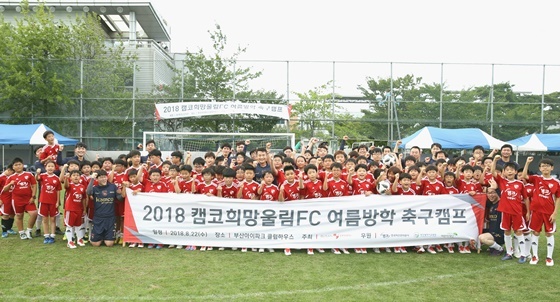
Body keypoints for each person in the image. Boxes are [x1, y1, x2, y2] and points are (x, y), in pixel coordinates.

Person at [522, 157, 559, 266]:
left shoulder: (556, 182)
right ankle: (535, 256)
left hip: (549, 212)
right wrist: (527, 163)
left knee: (549, 233)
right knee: (536, 232)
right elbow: (524, 176)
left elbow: (558, 198)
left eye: (547, 166)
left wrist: (555, 212)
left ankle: (549, 258)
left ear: (552, 168)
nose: (545, 168)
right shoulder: (536, 179)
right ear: (540, 168)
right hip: (536, 212)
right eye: (543, 166)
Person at [491, 155, 529, 263]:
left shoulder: (520, 184)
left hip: (517, 212)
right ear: (504, 172)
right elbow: (493, 172)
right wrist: (495, 160)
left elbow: (526, 199)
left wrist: (528, 212)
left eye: (512, 170)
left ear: (516, 172)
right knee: (507, 232)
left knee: (518, 232)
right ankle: (509, 253)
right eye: (507, 170)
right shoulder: (502, 181)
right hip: (505, 212)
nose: (509, 172)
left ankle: (523, 254)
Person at [3, 158, 38, 240]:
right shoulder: (11, 177)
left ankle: (28, 230)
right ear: (13, 167)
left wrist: (33, 196)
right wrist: (10, 184)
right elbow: (5, 189)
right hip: (17, 200)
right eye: (16, 165)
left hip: (28, 199)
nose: (18, 166)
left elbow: (34, 185)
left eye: (19, 164)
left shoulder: (29, 174)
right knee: (19, 216)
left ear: (23, 165)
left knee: (34, 213)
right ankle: (21, 232)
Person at [87, 170, 123, 247]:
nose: (103, 179)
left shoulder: (113, 187)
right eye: (100, 177)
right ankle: (99, 236)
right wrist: (92, 179)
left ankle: (105, 237)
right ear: (97, 179)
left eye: (104, 177)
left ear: (107, 177)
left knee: (109, 244)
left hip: (110, 218)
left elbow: (120, 198)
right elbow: (88, 192)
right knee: (95, 244)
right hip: (98, 218)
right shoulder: (95, 188)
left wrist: (124, 190)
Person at [35, 160, 62, 244]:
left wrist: (57, 201)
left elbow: (58, 191)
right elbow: (36, 178)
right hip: (43, 201)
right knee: (45, 219)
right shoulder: (42, 176)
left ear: (55, 168)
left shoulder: (56, 178)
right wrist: (37, 173)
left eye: (52, 166)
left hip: (53, 202)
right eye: (48, 166)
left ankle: (52, 235)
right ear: (45, 167)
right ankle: (46, 236)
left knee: (53, 219)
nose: (50, 168)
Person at [60, 167, 87, 248]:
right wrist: (66, 178)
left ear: (80, 177)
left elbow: (84, 199)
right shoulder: (70, 185)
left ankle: (79, 239)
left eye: (78, 175)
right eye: (74, 175)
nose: (76, 177)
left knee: (78, 225)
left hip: (79, 209)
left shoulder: (82, 187)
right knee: (70, 226)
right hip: (70, 209)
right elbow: (65, 185)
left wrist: (84, 209)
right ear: (71, 177)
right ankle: (70, 241)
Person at [478, 179, 505, 256]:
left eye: (493, 192)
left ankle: (499, 248)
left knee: (482, 238)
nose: (491, 195)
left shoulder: (502, 203)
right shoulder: (491, 205)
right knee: (476, 232)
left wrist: (496, 188)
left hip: (500, 234)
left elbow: (502, 197)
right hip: (492, 232)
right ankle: (493, 246)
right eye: (489, 193)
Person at [0, 164, 16, 237]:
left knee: (12, 214)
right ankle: (4, 231)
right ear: (9, 170)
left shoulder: (12, 177)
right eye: (13, 172)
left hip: (13, 198)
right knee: (5, 215)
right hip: (4, 199)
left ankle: (9, 228)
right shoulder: (1, 177)